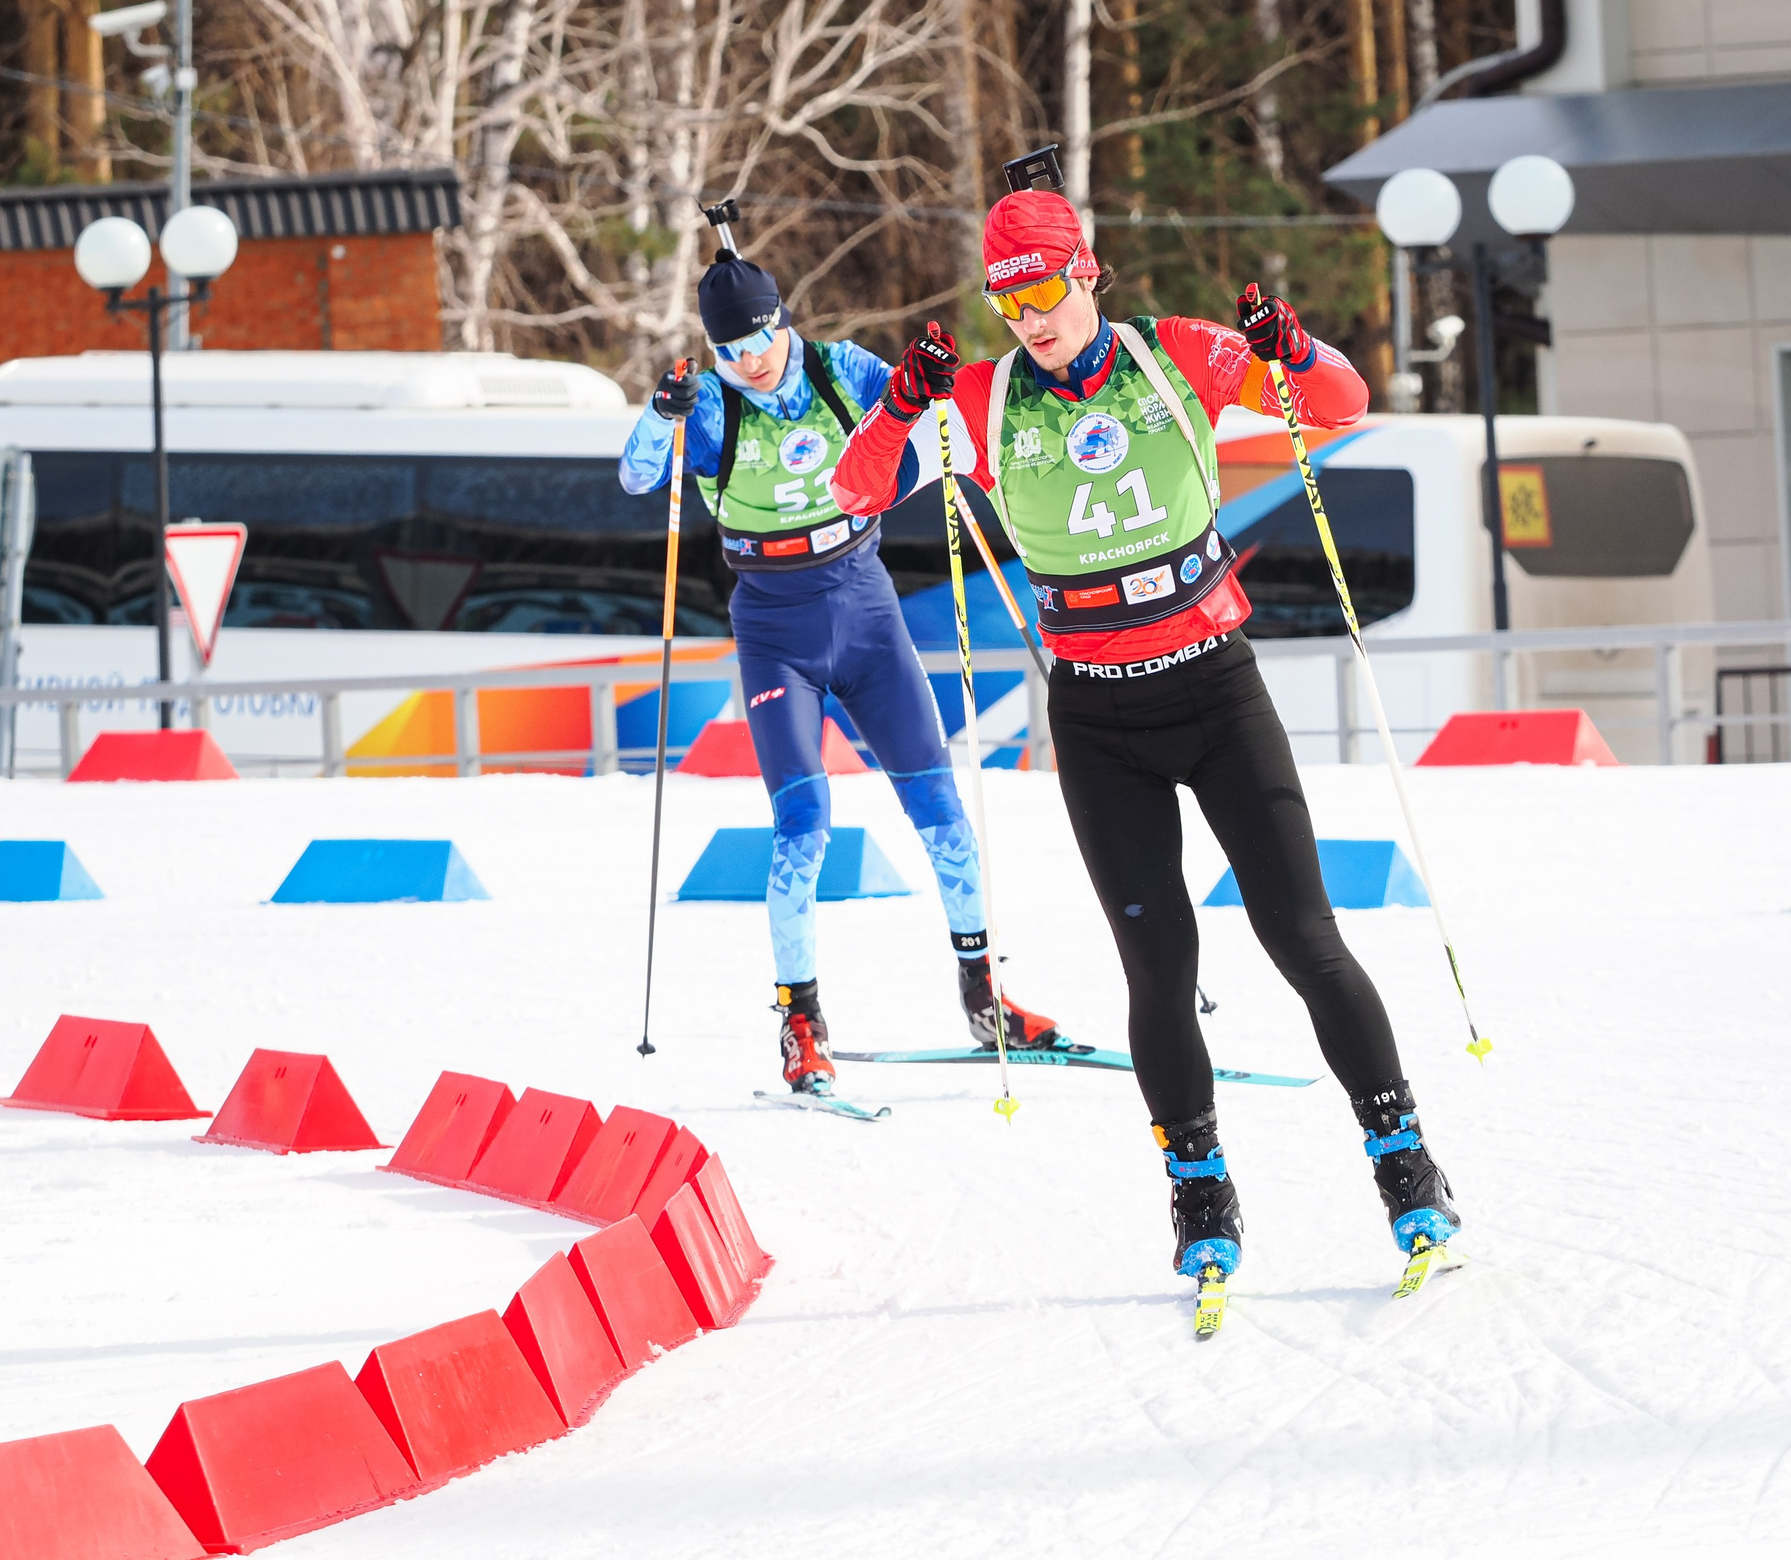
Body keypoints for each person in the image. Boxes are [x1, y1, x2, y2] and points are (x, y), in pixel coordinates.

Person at [829, 187, 1456, 1283]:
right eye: (1007, 300)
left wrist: (1292, 348)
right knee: (1158, 967)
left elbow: (1341, 403)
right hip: (1099, 717)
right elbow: (855, 490)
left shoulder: (1177, 357)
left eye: (1042, 290)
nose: (1029, 317)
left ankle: (1404, 1161)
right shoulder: (980, 399)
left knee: (1303, 940)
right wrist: (899, 405)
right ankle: (1199, 1189)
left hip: (1217, 692)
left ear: (1084, 271)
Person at [619, 248, 1069, 1095]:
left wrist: (929, 382)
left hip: (865, 609)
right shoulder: (711, 402)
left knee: (942, 811)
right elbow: (637, 475)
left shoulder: (839, 370)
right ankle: (801, 1021)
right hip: (773, 627)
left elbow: (927, 419)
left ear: (782, 320)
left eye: (759, 339)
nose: (750, 360)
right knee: (803, 825)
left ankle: (984, 995)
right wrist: (658, 415)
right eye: (729, 350)